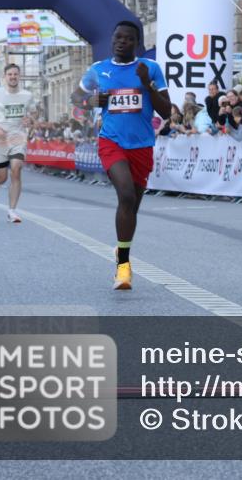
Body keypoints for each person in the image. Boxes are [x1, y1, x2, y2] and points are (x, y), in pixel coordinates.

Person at [71, 21, 170, 288]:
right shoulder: (99, 70)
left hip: (142, 145)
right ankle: (123, 266)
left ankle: (121, 249)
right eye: (117, 37)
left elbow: (167, 112)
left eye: (127, 39)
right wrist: (90, 101)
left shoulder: (150, 69)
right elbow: (76, 97)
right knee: (125, 194)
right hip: (111, 142)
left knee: (132, 206)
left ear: (136, 43)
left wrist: (146, 85)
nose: (120, 42)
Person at [0, 64, 36, 223]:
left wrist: (30, 120)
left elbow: (33, 114)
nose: (13, 77)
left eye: (15, 74)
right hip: (0, 140)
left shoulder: (27, 95)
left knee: (16, 169)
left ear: (20, 76)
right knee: (2, 177)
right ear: (5, 77)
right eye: (10, 74)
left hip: (18, 138)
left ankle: (12, 211)